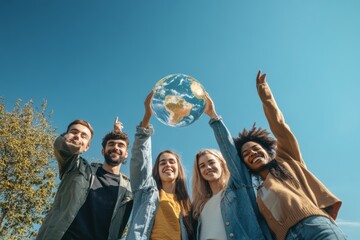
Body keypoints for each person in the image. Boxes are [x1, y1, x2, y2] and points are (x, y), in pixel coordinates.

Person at [232, 70, 347, 240]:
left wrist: (264, 93)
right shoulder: (258, 194)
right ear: (245, 165)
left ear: (266, 150)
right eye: (246, 154)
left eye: (256, 148)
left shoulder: (287, 160)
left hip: (315, 226)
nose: (253, 153)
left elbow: (280, 127)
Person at [37, 118, 133, 240]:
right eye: (111, 144)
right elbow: (63, 148)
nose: (115, 147)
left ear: (126, 154)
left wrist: (119, 133)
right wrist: (77, 138)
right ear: (102, 151)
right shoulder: (77, 168)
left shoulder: (129, 189)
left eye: (121, 145)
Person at [192, 96, 273, 239]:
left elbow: (230, 153)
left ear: (222, 164)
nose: (208, 167)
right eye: (202, 166)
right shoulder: (200, 207)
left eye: (211, 162)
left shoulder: (237, 187)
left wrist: (213, 117)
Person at [126, 90, 194, 240]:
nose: (168, 165)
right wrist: (147, 117)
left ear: (179, 169)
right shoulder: (146, 191)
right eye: (162, 162)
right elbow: (140, 159)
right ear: (156, 169)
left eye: (172, 162)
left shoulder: (188, 205)